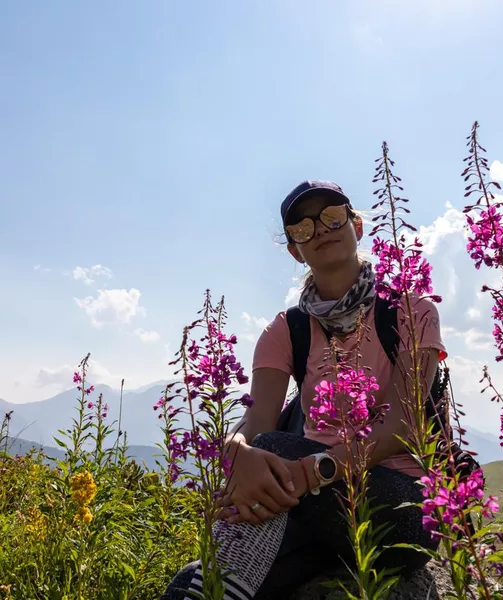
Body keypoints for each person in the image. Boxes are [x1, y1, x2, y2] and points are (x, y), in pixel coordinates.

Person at [162, 180, 446, 600]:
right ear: (295, 250)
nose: (320, 229)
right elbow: (255, 421)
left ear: (357, 225)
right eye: (302, 227)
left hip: (400, 508)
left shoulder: (411, 311)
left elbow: (405, 425)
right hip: (305, 499)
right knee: (192, 581)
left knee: (274, 447)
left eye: (333, 216)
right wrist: (236, 449)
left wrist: (315, 469)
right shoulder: (285, 331)